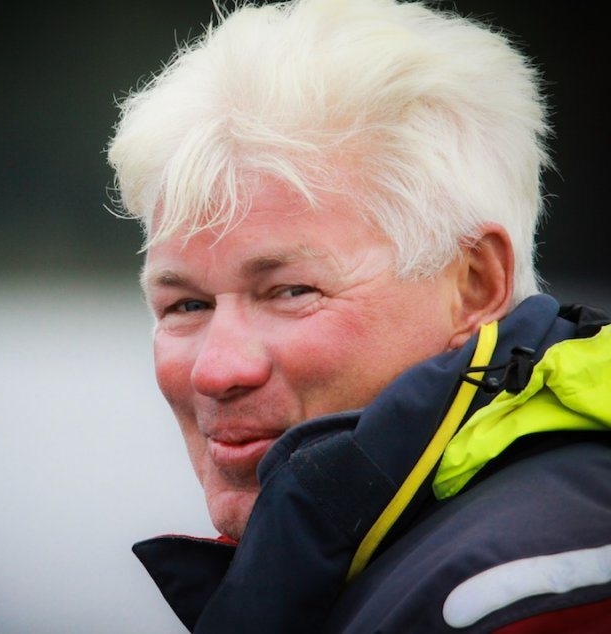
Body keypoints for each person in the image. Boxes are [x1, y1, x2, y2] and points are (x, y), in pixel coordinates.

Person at [105, 0, 611, 631]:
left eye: (291, 291)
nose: (216, 371)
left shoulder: (530, 596)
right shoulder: (393, 556)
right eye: (187, 305)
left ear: (474, 286)